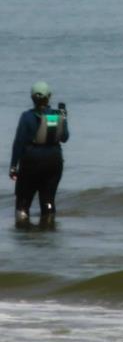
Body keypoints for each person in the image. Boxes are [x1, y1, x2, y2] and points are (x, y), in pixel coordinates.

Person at [9, 81, 69, 230]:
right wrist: (64, 120)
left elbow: (19, 143)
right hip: (54, 162)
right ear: (49, 97)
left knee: (23, 200)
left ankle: (24, 233)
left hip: (32, 162)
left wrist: (13, 166)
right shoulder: (57, 116)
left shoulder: (27, 117)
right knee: (48, 199)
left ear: (32, 98)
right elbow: (65, 138)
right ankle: (48, 229)